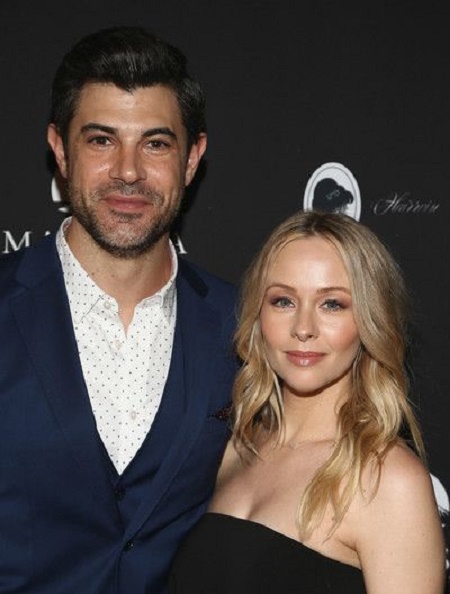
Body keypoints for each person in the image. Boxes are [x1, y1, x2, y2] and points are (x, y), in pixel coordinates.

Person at [0, 26, 236, 593]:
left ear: (192, 158)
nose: (128, 171)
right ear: (60, 149)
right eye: (102, 140)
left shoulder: (245, 325)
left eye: (156, 144)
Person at [170, 211, 446, 593]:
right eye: (283, 301)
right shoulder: (237, 447)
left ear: (370, 320)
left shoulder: (389, 480)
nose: (303, 328)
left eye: (332, 304)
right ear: (258, 314)